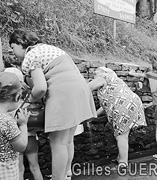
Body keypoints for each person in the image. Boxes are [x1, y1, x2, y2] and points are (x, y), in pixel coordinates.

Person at [9, 29, 96, 180]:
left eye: (12, 47)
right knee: (67, 140)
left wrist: (30, 101)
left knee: (58, 143)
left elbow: (40, 87)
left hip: (64, 92)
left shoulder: (30, 55)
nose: (13, 52)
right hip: (80, 89)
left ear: (19, 42)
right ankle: (65, 175)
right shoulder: (50, 48)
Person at [88, 67, 146, 170]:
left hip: (122, 105)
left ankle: (123, 163)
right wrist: (93, 116)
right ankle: (121, 158)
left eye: (95, 74)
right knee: (123, 134)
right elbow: (106, 104)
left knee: (121, 136)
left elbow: (86, 88)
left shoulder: (103, 77)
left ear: (102, 72)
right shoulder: (115, 82)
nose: (94, 76)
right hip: (132, 103)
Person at [4, 67, 43, 180]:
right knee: (35, 167)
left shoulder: (8, 103)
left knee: (19, 169)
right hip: (31, 138)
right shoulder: (29, 98)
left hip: (16, 139)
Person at [0, 72, 30, 180]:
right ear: (17, 96)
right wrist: (23, 124)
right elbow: (21, 146)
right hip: (6, 170)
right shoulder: (7, 121)